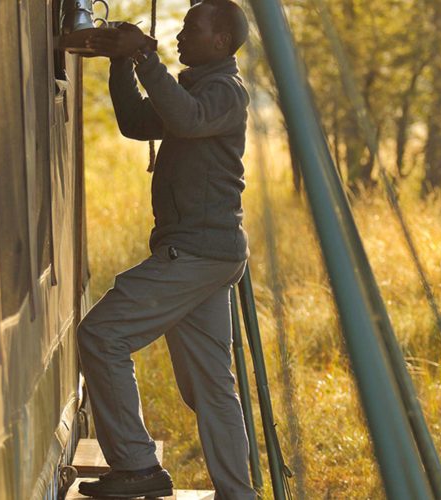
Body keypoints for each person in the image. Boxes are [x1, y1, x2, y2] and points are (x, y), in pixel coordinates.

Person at [75, 1, 256, 498]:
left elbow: (189, 119)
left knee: (102, 335)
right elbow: (138, 122)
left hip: (198, 254)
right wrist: (122, 62)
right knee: (212, 388)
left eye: (190, 28)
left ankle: (137, 467)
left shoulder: (224, 92)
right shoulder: (198, 88)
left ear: (220, 41)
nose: (178, 35)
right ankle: (237, 494)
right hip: (205, 254)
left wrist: (147, 58)